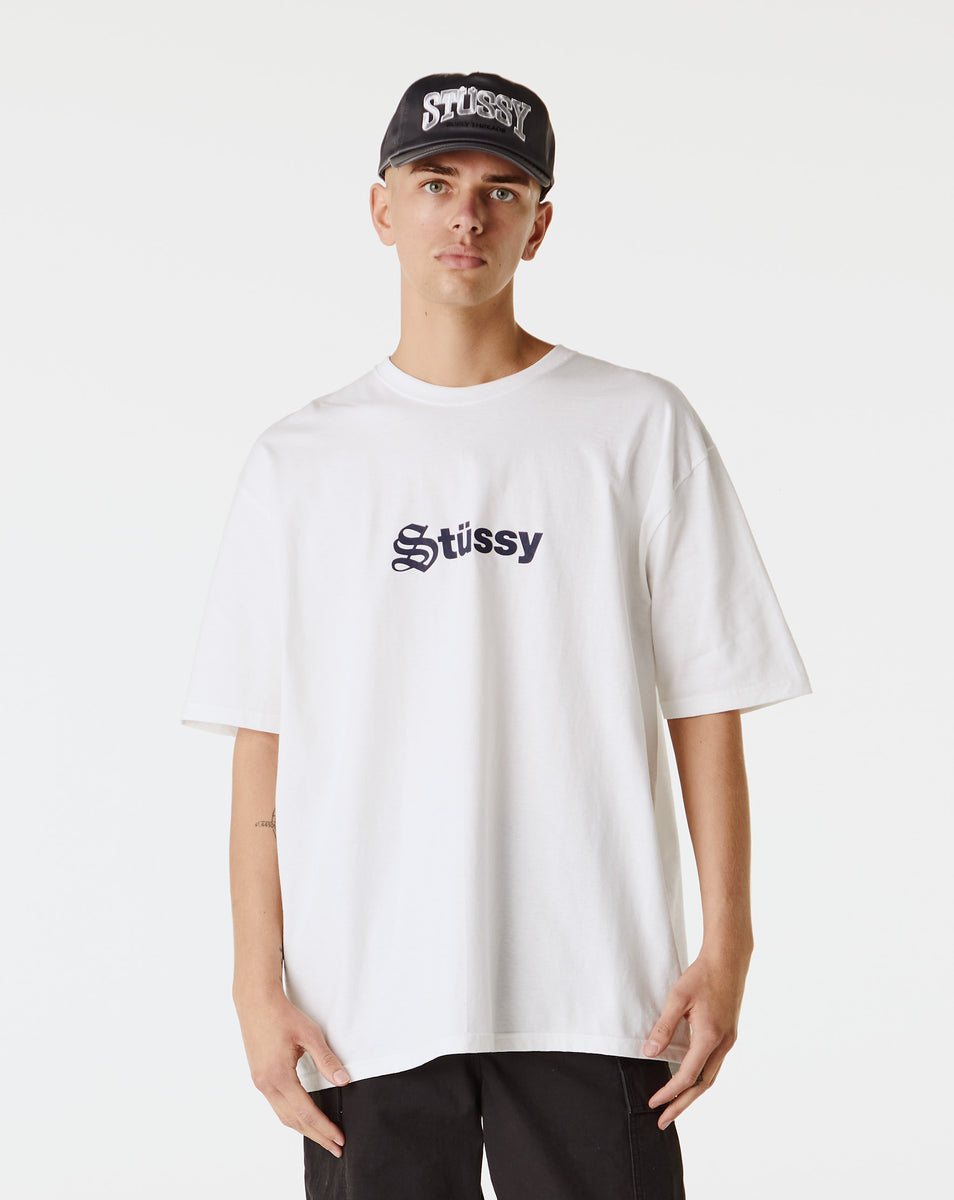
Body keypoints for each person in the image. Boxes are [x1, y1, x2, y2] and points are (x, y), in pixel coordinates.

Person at [180, 70, 811, 1200]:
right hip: (362, 999)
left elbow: (706, 705)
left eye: (500, 190)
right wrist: (252, 982)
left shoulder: (636, 426)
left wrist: (730, 946)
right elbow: (262, 744)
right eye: (435, 183)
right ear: (383, 210)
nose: (465, 215)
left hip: (597, 989)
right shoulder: (300, 463)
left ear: (539, 224)